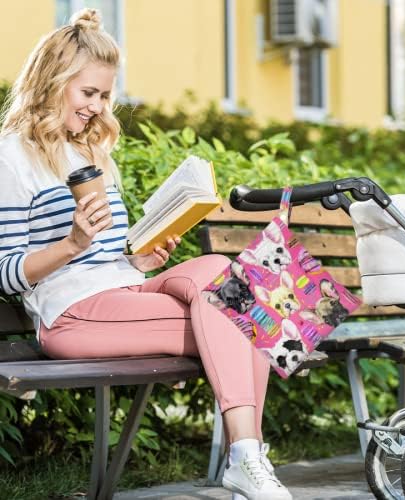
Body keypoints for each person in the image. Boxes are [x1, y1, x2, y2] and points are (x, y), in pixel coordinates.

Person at [0, 9, 292, 500]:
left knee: (235, 277)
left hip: (123, 287)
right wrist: (72, 243)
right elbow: (6, 274)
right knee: (250, 313)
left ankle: (246, 459)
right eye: (88, 93)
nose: (96, 107)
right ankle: (247, 458)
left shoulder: (92, 153)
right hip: (71, 313)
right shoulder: (11, 157)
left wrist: (142, 258)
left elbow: (109, 257)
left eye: (104, 96)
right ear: (52, 81)